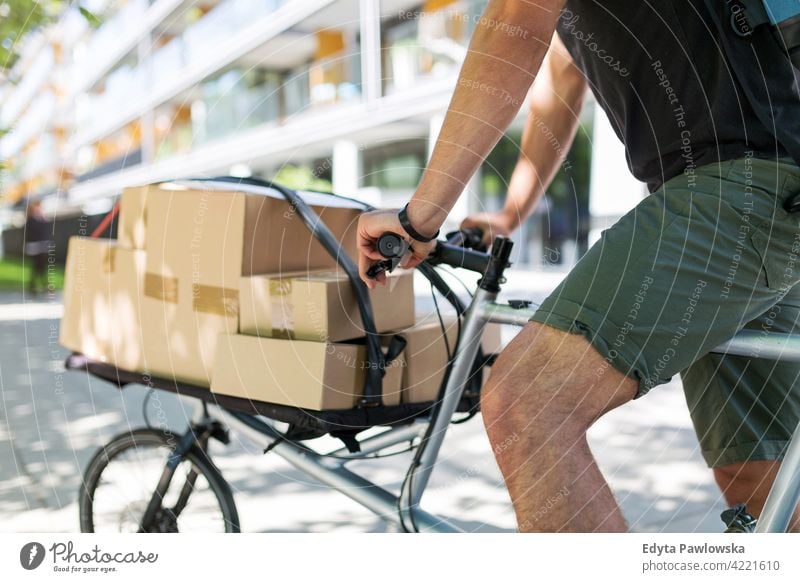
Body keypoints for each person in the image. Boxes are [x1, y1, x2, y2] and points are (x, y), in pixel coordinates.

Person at [357, 0, 800, 532]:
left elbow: (515, 24)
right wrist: (509, 214)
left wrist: (419, 217)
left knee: (529, 407)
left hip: (747, 183)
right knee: (759, 469)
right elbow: (559, 83)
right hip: (753, 190)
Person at [24, 200, 52, 296]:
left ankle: (41, 285)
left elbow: (47, 230)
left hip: (42, 245)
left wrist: (43, 218)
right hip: (35, 247)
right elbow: (34, 232)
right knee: (37, 266)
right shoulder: (31, 220)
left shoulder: (41, 218)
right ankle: (35, 286)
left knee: (42, 266)